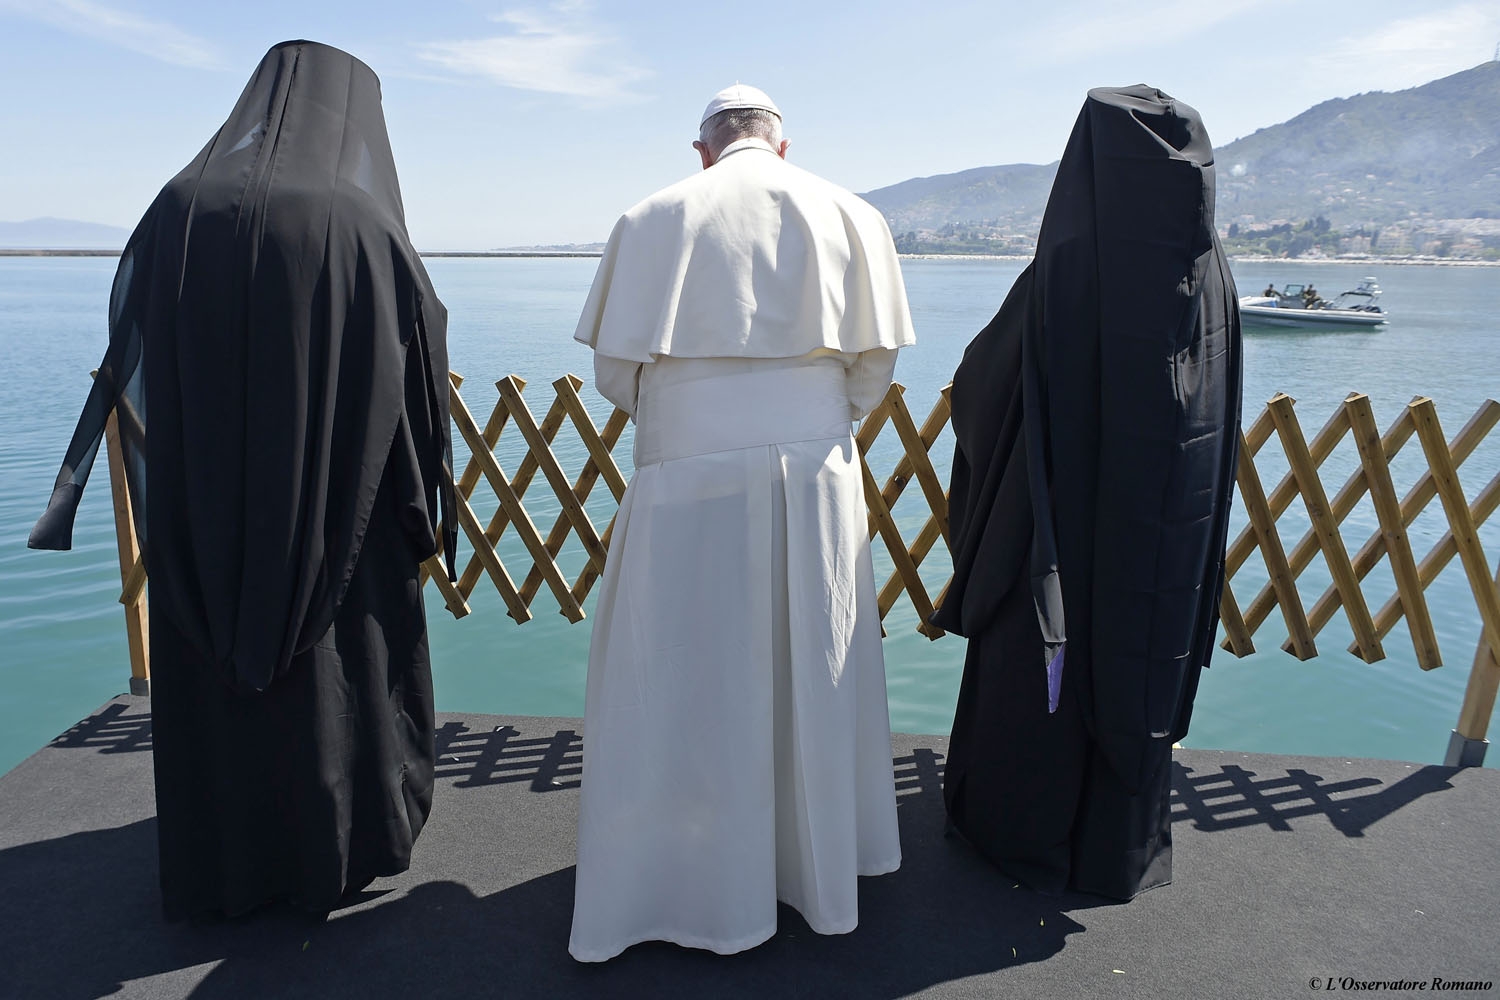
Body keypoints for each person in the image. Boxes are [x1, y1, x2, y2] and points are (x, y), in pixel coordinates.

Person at [29, 40, 457, 920]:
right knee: (336, 667)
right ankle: (343, 842)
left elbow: (137, 349)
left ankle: (218, 852)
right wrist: (418, 509)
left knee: (214, 674)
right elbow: (410, 381)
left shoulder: (179, 207)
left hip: (203, 499)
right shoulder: (362, 222)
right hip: (343, 503)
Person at [568, 84, 914, 961]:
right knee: (816, 664)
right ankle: (818, 867)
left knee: (683, 670)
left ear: (704, 150)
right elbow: (872, 369)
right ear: (783, 147)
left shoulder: (649, 216)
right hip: (817, 466)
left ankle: (679, 874)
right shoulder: (853, 213)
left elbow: (618, 374)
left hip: (684, 470)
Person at [932, 86, 1242, 900]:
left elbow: (983, 389)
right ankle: (1118, 846)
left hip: (1055, 534)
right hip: (1161, 533)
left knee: (1042, 667)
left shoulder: (1067, 271)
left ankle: (1021, 830)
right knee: (1138, 654)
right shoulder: (1212, 274)